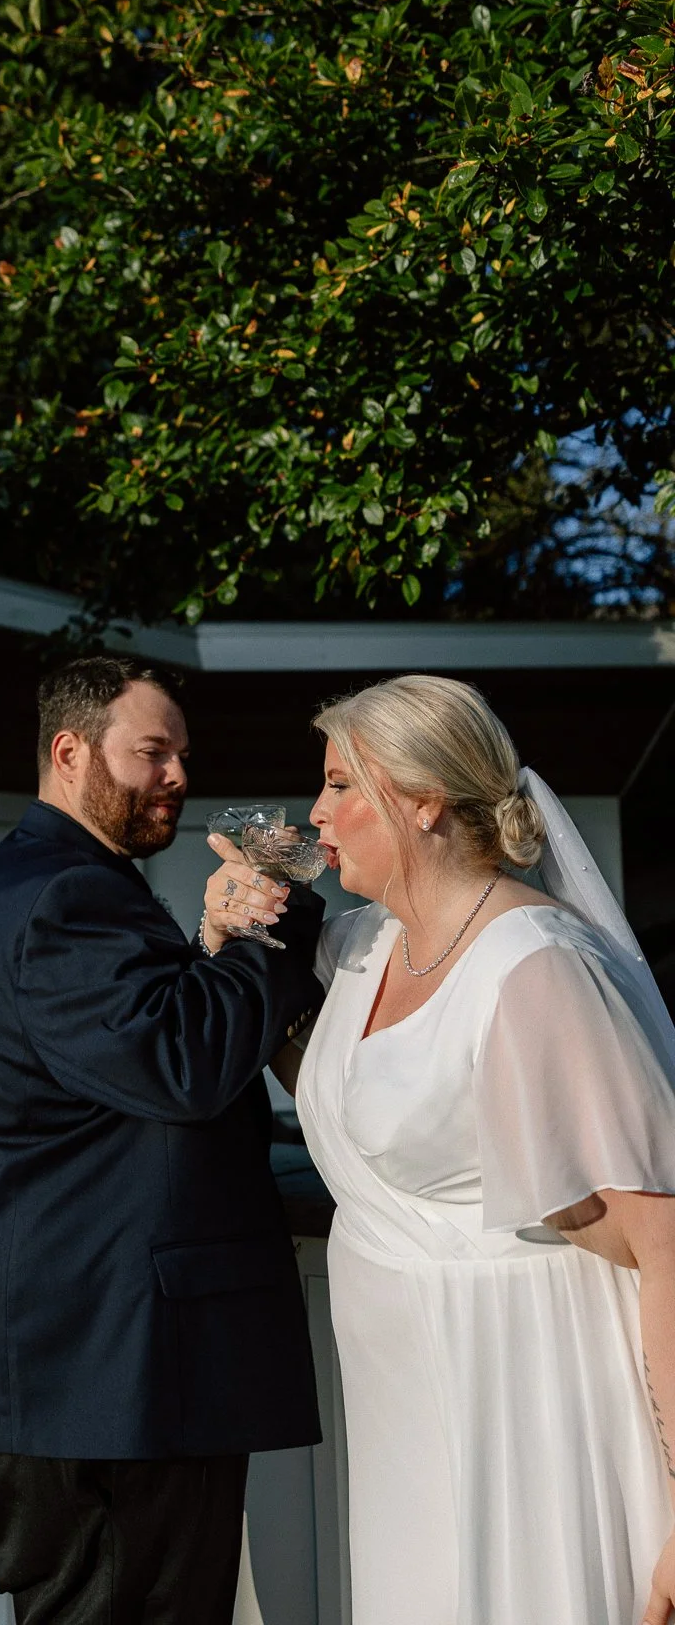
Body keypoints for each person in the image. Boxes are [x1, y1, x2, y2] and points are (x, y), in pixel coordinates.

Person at [216, 672, 675, 1625]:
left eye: (341, 784)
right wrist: (233, 938)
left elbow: (664, 1243)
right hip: (400, 1412)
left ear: (425, 800)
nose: (315, 812)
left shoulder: (535, 966)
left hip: (525, 1398)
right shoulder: (361, 945)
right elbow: (348, 1098)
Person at [0, 654, 325, 1625]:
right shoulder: (65, 896)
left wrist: (212, 946)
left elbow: (137, 1046)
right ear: (70, 752)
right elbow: (182, 1063)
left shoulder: (52, 881)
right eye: (152, 752)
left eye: (183, 754)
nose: (177, 775)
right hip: (98, 1371)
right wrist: (271, 912)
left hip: (76, 1365)